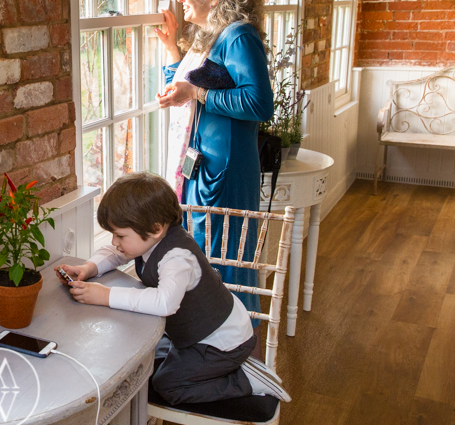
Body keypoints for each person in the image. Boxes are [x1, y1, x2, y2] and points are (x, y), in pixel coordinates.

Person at [55, 173, 288, 405]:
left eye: (120, 235)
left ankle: (247, 379)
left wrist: (105, 295)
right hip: (195, 332)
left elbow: (164, 302)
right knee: (147, 357)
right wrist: (89, 268)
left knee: (168, 385)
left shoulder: (177, 257)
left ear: (155, 228)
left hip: (221, 342)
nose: (115, 242)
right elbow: (115, 253)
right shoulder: (148, 239)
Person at [155, 0, 274, 313]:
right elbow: (191, 87)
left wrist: (198, 93)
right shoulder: (213, 35)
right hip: (205, 163)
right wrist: (171, 49)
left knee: (225, 258)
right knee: (206, 254)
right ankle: (210, 334)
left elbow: (259, 104)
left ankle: (234, 340)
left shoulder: (238, 37)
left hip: (226, 169)